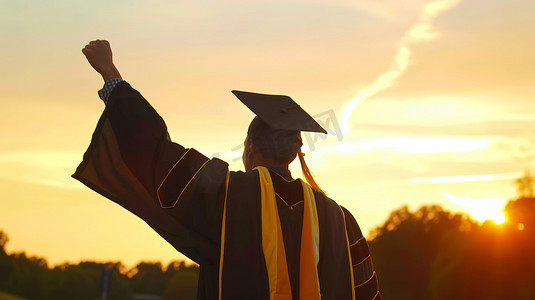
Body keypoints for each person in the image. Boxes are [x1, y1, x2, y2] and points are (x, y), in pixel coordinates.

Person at [74, 39, 381, 300]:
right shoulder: (341, 221)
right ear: (294, 154)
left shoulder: (226, 196)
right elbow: (368, 294)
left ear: (251, 148)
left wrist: (111, 76)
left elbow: (155, 154)